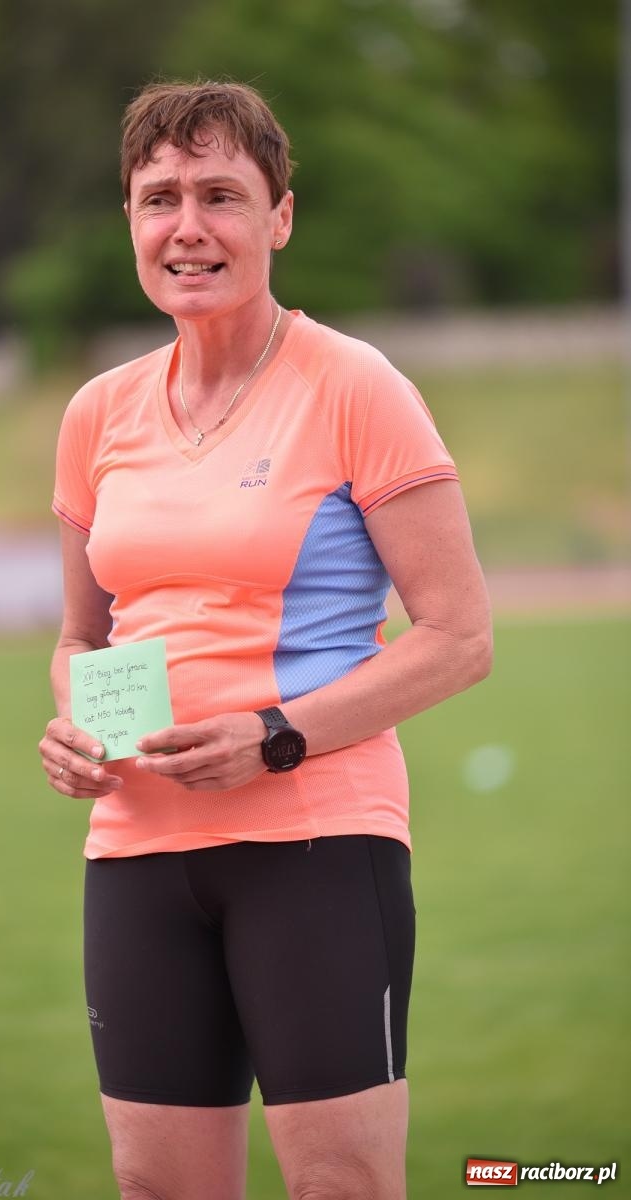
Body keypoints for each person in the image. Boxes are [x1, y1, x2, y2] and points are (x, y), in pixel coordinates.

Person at [38, 79, 492, 1200]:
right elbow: (81, 637)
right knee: (158, 1186)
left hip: (316, 845)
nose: (187, 226)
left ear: (280, 217)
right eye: (159, 198)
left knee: (340, 1184)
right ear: (132, 222)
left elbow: (458, 636)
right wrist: (78, 726)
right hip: (137, 854)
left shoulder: (356, 385)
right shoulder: (97, 413)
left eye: (221, 195)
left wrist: (276, 735)